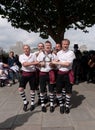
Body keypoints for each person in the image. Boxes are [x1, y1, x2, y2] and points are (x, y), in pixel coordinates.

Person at [52, 39, 75, 114]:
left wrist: (57, 62)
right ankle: (61, 105)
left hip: (68, 74)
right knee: (58, 91)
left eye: (67, 44)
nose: (65, 45)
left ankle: (67, 106)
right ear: (62, 45)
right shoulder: (59, 53)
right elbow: (55, 63)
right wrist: (55, 62)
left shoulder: (71, 53)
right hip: (60, 74)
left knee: (68, 91)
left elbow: (67, 64)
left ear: (69, 45)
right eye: (64, 44)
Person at [37, 40, 57, 113]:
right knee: (42, 90)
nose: (48, 47)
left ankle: (51, 104)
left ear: (51, 47)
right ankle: (43, 105)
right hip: (42, 74)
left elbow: (57, 65)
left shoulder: (53, 54)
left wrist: (53, 65)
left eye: (49, 46)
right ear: (44, 47)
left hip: (51, 73)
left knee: (51, 90)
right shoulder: (40, 54)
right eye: (46, 46)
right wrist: (40, 64)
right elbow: (37, 64)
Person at [18, 45, 39, 112]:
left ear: (30, 49)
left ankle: (32, 104)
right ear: (23, 50)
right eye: (25, 49)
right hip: (24, 74)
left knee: (32, 90)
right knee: (20, 89)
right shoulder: (21, 56)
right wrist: (33, 63)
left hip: (32, 74)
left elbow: (36, 64)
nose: (26, 50)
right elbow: (24, 65)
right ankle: (25, 102)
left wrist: (30, 63)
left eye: (27, 48)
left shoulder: (33, 55)